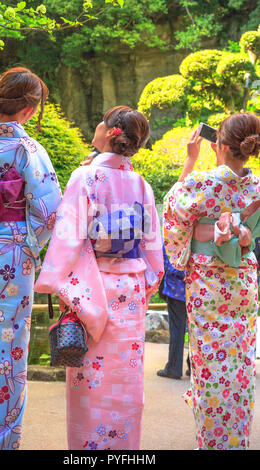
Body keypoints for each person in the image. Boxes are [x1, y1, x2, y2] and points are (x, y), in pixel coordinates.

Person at [35, 105, 164, 450]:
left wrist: (59, 282)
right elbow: (153, 252)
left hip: (92, 289)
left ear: (109, 133)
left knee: (90, 379)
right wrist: (143, 283)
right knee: (125, 380)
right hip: (131, 288)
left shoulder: (86, 177)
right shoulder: (142, 185)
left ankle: (88, 450)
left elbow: (68, 239)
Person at [0, 67, 61, 450]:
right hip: (9, 264)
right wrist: (27, 246)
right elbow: (50, 214)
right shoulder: (28, 150)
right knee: (6, 351)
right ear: (30, 109)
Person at [163, 112, 260, 450]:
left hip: (209, 280)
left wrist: (190, 162)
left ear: (218, 144)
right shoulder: (257, 186)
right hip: (244, 277)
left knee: (210, 362)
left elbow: (172, 214)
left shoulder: (202, 182)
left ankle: (214, 442)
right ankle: (237, 440)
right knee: (241, 360)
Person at [157, 246, 190, 379]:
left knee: (177, 330)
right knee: (195, 330)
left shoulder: (173, 232)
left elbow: (165, 261)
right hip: (198, 288)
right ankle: (194, 366)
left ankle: (173, 368)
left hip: (176, 289)